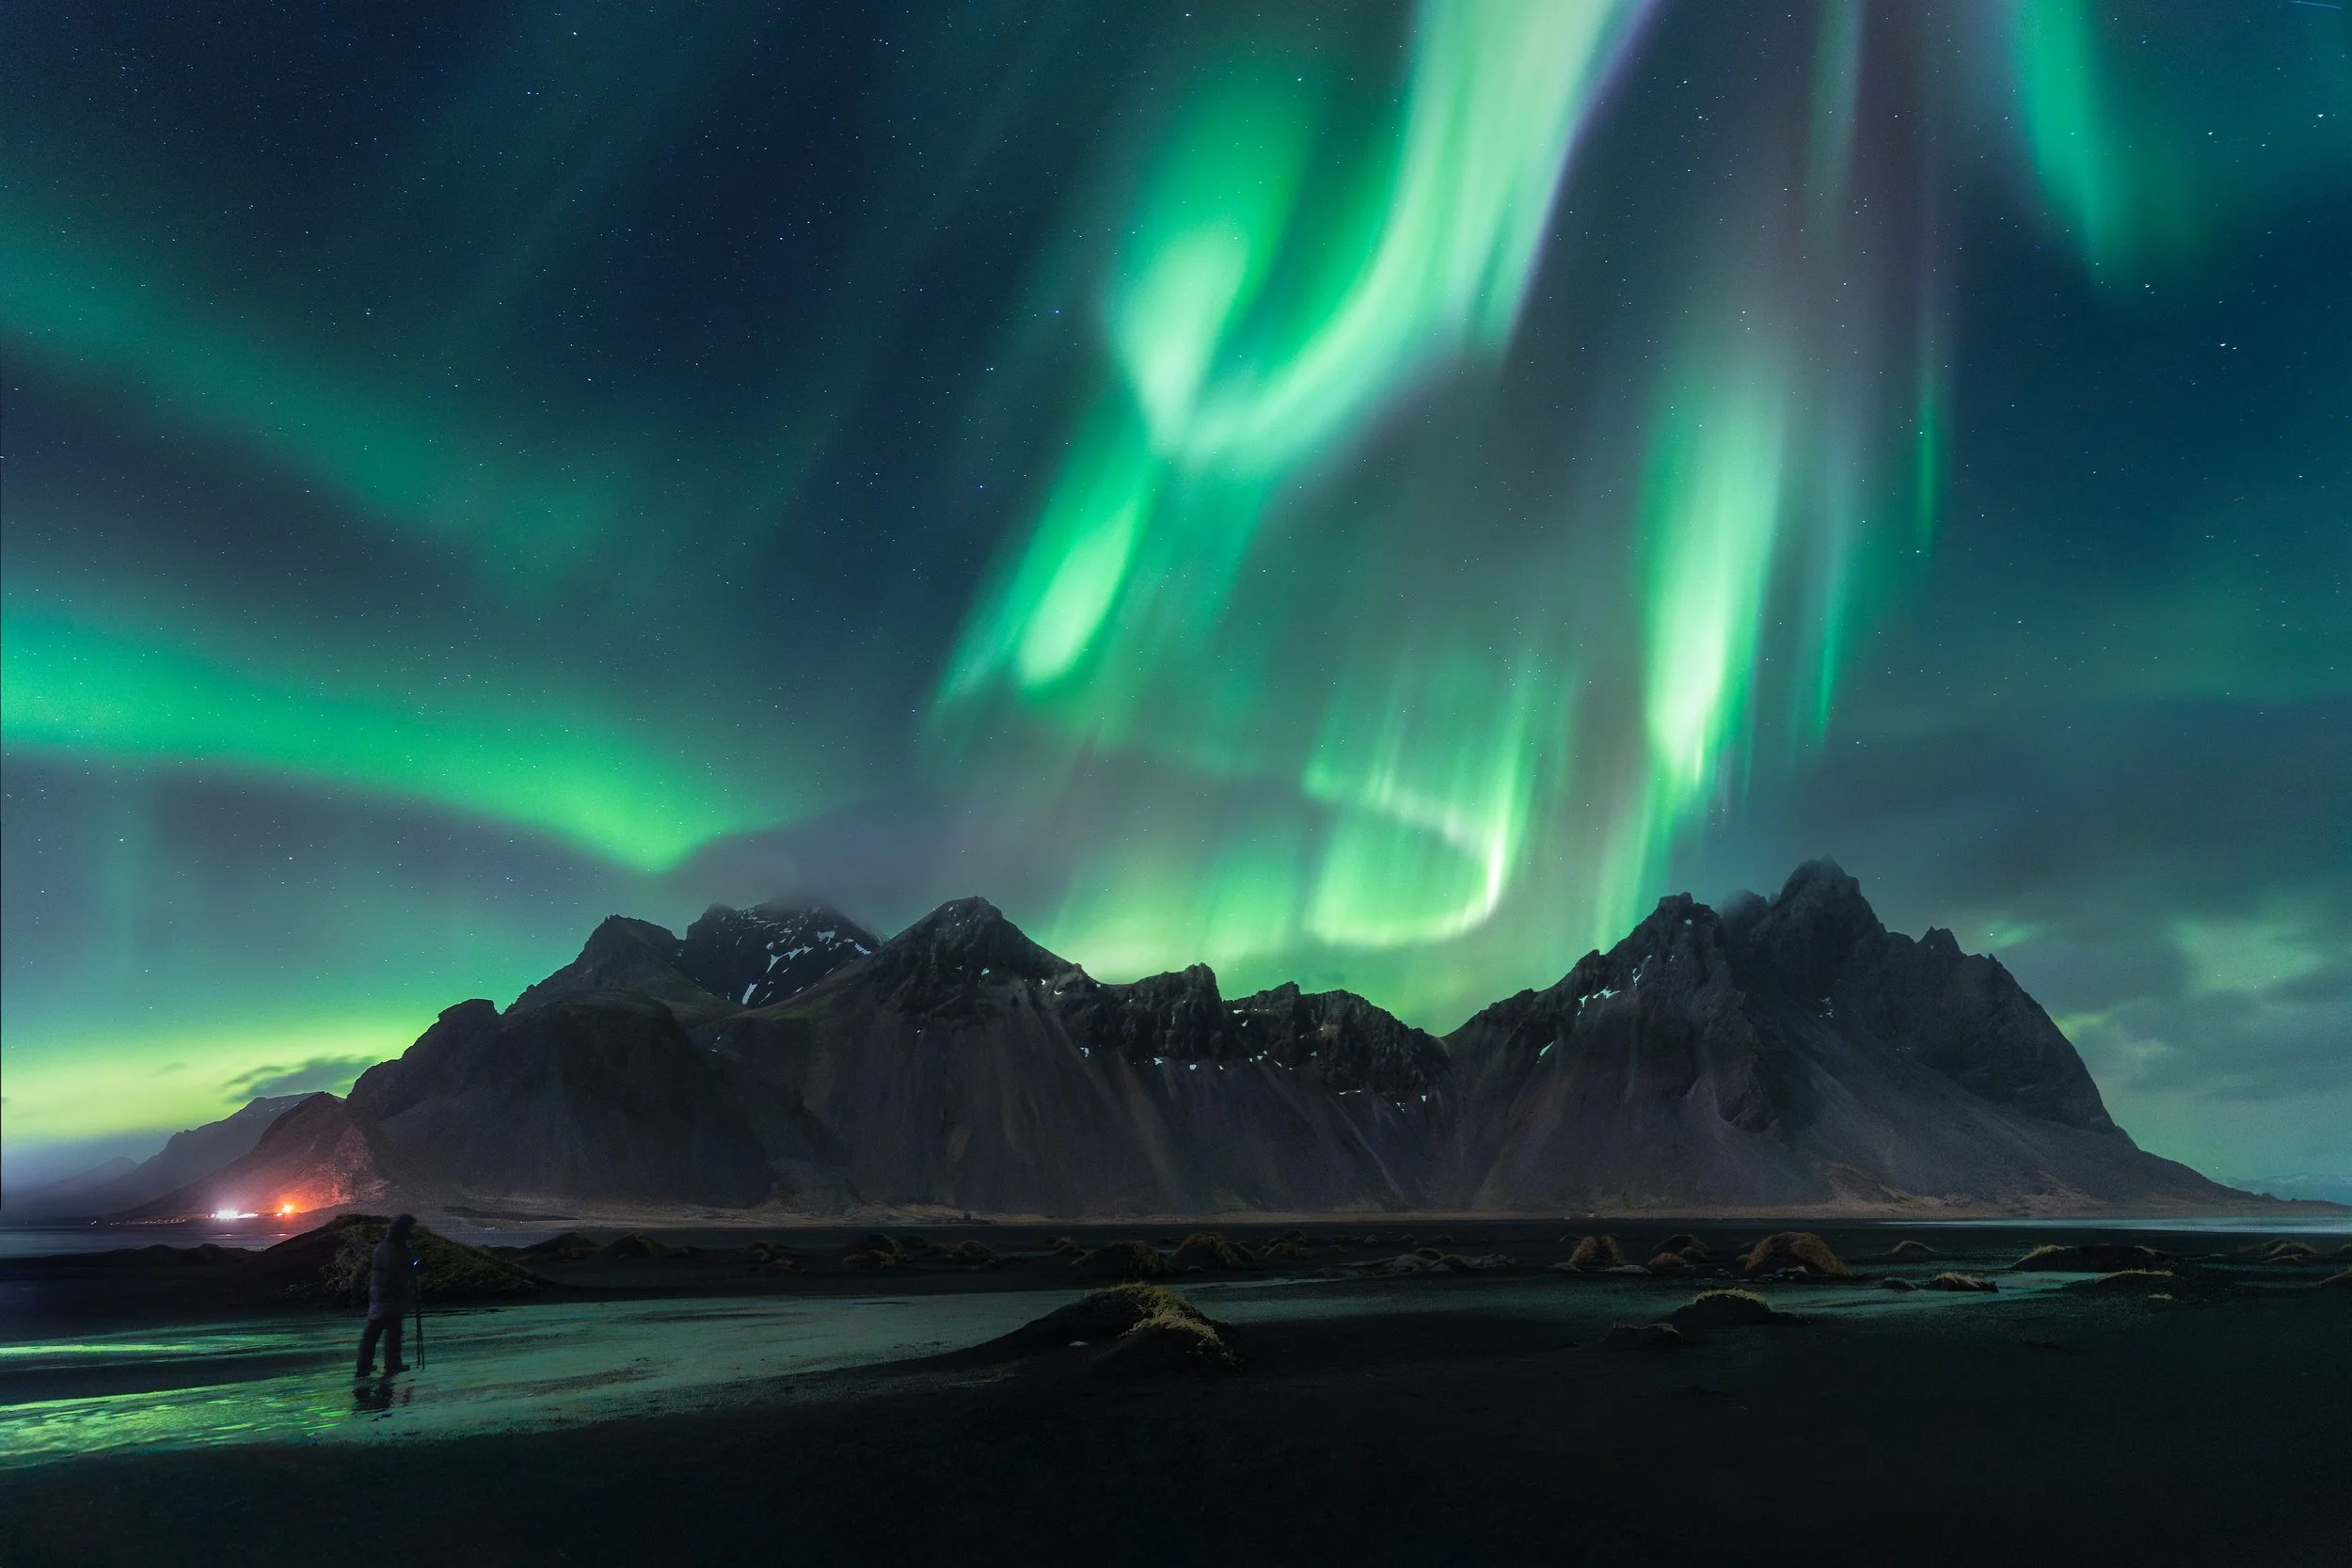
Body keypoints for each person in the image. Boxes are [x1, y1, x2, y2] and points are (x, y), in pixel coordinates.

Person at [355, 1213, 421, 1378]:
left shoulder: (382, 1247)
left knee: (372, 1333)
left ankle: (364, 1365)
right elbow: (400, 1273)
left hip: (378, 1295)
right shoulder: (398, 1249)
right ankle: (391, 1365)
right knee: (392, 1333)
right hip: (392, 1297)